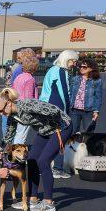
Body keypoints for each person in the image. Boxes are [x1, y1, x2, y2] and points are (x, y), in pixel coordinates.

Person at [0, 88, 70, 211]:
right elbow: (9, 135)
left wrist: (49, 119)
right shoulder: (13, 116)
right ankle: (33, 198)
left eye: (1, 110)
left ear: (9, 103)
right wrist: (0, 148)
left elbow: (54, 110)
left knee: (43, 161)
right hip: (44, 131)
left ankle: (49, 202)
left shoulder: (28, 105)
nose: (1, 114)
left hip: (61, 128)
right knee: (32, 160)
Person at [41, 50, 78, 178]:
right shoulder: (61, 71)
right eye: (73, 61)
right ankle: (57, 168)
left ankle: (43, 166)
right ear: (67, 59)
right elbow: (64, 93)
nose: (74, 64)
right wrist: (67, 112)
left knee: (47, 138)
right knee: (59, 138)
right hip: (57, 109)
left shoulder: (52, 70)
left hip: (48, 107)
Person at [69, 59, 102, 134]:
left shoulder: (96, 81)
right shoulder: (75, 79)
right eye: (80, 67)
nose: (81, 68)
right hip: (74, 110)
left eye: (84, 67)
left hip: (88, 111)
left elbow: (98, 97)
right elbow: (70, 93)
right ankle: (74, 146)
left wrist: (96, 111)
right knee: (73, 133)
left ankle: (87, 146)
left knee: (88, 133)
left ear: (91, 68)